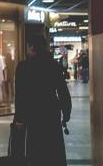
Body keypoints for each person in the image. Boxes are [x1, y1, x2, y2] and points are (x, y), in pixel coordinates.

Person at [14, 34, 72, 165]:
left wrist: (19, 118)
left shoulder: (24, 67)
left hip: (33, 113)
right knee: (54, 146)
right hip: (51, 111)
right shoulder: (53, 65)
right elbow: (63, 91)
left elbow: (21, 96)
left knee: (35, 148)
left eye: (28, 47)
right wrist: (66, 113)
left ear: (32, 48)